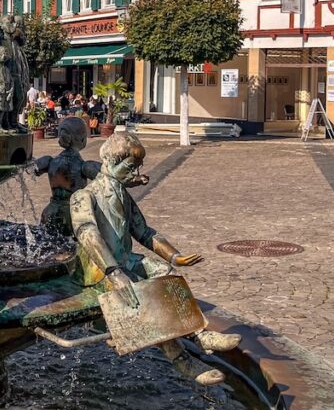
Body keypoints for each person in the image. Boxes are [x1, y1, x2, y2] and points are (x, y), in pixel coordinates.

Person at [70, 132, 241, 386]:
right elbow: (88, 234)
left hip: (125, 259)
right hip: (98, 268)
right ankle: (182, 360)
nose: (135, 173)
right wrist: (114, 272)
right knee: (147, 296)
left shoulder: (123, 195)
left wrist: (175, 256)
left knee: (165, 271)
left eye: (137, 167)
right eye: (130, 167)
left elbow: (144, 231)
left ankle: (200, 334)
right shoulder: (84, 196)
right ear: (109, 162)